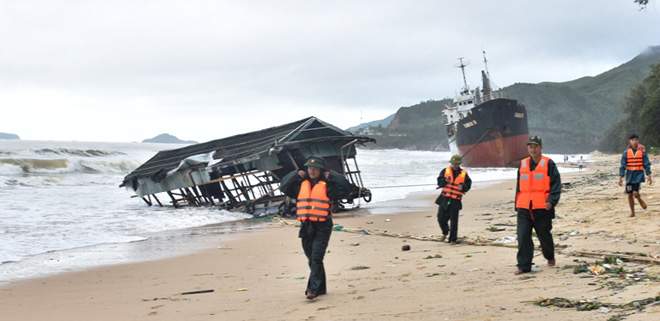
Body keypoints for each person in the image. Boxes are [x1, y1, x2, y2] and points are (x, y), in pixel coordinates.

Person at [280, 156, 351, 300]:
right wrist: (295, 174)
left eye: (315, 168)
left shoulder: (329, 187)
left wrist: (333, 175)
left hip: (323, 225)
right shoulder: (300, 185)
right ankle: (321, 287)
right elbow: (284, 186)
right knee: (311, 258)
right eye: (309, 168)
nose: (312, 171)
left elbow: (346, 188)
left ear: (321, 170)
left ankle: (312, 289)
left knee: (317, 258)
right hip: (306, 226)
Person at [514, 136, 561, 275]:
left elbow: (556, 184)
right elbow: (519, 186)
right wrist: (517, 204)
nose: (532, 149)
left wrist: (551, 201)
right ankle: (524, 265)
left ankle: (549, 255)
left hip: (542, 208)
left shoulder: (548, 164)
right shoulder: (522, 164)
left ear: (540, 148)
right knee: (523, 236)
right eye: (530, 146)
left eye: (535, 146)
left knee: (544, 235)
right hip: (524, 207)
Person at [435, 154, 472, 245]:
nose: (454, 165)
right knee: (441, 218)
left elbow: (468, 184)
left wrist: (462, 186)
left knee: (454, 221)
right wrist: (444, 181)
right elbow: (439, 182)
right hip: (444, 198)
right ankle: (445, 232)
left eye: (456, 163)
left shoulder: (464, 173)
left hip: (455, 200)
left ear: (459, 164)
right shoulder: (445, 171)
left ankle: (453, 239)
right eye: (453, 163)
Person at [618, 134, 652, 218]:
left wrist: (649, 175)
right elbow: (622, 165)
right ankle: (632, 212)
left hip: (638, 175)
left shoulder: (642, 152)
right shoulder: (626, 153)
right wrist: (620, 178)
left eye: (636, 140)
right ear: (630, 141)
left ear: (638, 141)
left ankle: (639, 200)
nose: (634, 141)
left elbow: (646, 164)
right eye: (632, 140)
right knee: (630, 194)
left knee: (635, 193)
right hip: (629, 175)